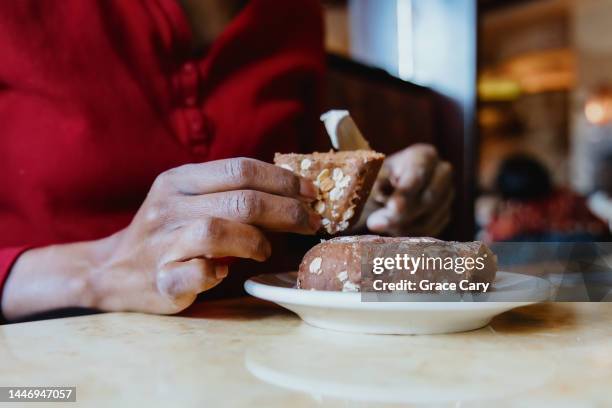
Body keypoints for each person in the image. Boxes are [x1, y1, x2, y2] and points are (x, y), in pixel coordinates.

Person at [0, 0, 453, 321]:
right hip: (49, 350)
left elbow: (298, 214)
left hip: (264, 342)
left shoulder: (294, 15)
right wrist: (99, 270)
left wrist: (372, 200)